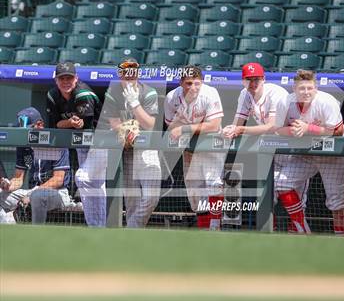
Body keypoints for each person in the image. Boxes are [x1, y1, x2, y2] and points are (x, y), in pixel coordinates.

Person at [222, 63, 308, 233]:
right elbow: (238, 123)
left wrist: (241, 130)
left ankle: (302, 232)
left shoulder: (276, 93)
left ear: (264, 79)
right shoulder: (244, 95)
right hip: (272, 149)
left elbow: (271, 126)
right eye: (249, 80)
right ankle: (271, 235)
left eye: (257, 80)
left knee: (296, 196)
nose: (253, 84)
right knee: (269, 195)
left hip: (293, 148)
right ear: (243, 81)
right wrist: (230, 129)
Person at [274, 70, 344, 235]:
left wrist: (308, 128)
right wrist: (292, 131)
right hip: (307, 154)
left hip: (334, 155)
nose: (306, 92)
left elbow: (338, 131)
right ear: (294, 89)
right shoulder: (285, 102)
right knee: (282, 183)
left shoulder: (325, 101)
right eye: (301, 88)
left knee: (337, 204)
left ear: (315, 88)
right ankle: (303, 231)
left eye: (310, 88)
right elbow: (277, 129)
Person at [99, 57, 161, 228]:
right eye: (125, 74)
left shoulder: (149, 92)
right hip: (126, 152)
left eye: (132, 74)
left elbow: (149, 124)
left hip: (147, 150)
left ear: (137, 74)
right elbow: (114, 122)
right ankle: (133, 238)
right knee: (132, 202)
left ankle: (129, 229)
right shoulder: (113, 93)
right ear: (120, 75)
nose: (128, 77)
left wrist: (134, 103)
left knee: (151, 197)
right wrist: (126, 130)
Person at [47, 62, 107, 227]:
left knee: (83, 178)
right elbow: (55, 124)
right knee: (95, 186)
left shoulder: (83, 93)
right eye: (62, 78)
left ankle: (97, 225)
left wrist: (71, 123)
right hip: (83, 145)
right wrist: (69, 122)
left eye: (69, 78)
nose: (66, 81)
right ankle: (96, 227)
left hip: (101, 142)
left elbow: (82, 125)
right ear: (56, 80)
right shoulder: (52, 95)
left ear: (76, 78)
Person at [164, 65, 224, 230]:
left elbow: (214, 125)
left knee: (214, 184)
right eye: (189, 83)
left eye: (197, 83)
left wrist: (185, 128)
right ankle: (204, 229)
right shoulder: (171, 97)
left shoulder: (209, 93)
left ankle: (215, 225)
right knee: (195, 194)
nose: (193, 88)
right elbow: (171, 126)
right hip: (190, 148)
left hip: (211, 143)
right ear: (181, 83)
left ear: (202, 81)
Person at [0, 107, 71, 224]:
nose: (26, 133)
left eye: (28, 129)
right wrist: (8, 185)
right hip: (31, 191)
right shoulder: (24, 146)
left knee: (37, 197)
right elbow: (18, 178)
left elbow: (58, 180)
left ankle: (33, 233)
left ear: (40, 124)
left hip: (58, 193)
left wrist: (34, 192)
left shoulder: (56, 142)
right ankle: (9, 227)